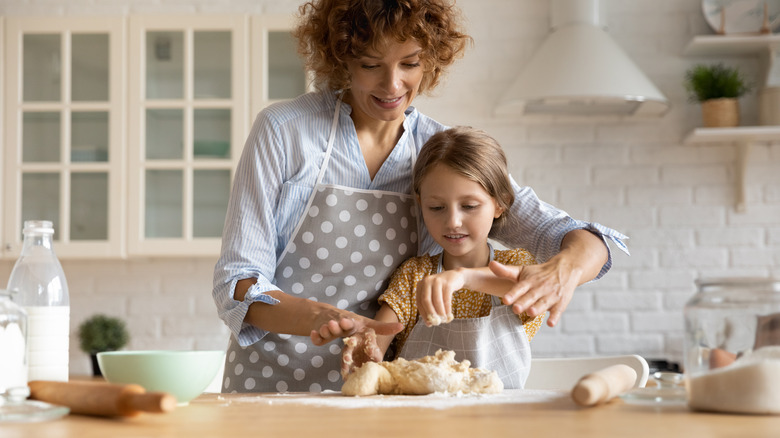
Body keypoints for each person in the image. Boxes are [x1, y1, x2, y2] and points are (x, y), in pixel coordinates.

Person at [213, 0, 628, 393]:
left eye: (409, 63)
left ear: (431, 59)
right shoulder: (285, 132)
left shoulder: (438, 152)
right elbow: (237, 284)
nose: (393, 84)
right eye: (370, 64)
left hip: (384, 390)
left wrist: (565, 269)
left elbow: (580, 237)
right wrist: (321, 316)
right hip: (269, 381)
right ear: (340, 58)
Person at [340, 126, 545, 389]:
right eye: (436, 207)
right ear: (420, 203)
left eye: (469, 206)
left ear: (500, 203)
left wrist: (463, 278)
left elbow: (530, 288)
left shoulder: (516, 265)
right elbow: (380, 337)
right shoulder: (415, 275)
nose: (453, 221)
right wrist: (366, 350)